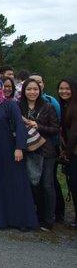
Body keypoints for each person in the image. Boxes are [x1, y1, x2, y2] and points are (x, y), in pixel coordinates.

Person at [0, 78, 39, 230]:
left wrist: (19, 147)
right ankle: (0, 218)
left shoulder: (10, 104)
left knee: (15, 184)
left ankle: (22, 219)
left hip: (9, 151)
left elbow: (20, 125)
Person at [20, 78, 59, 230]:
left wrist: (39, 126)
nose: (32, 92)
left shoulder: (48, 106)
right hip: (28, 151)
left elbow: (55, 129)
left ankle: (48, 219)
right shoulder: (19, 106)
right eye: (29, 89)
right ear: (24, 91)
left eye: (35, 89)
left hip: (46, 151)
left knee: (47, 185)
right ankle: (35, 215)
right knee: (32, 184)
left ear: (40, 90)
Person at [58, 79, 77, 227]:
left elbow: (74, 134)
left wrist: (67, 153)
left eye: (67, 88)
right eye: (61, 88)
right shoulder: (65, 106)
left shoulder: (74, 107)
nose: (64, 91)